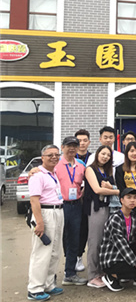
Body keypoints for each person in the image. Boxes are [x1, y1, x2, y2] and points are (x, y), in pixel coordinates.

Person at [27, 145, 65, 301]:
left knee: (55, 251)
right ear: (42, 157)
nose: (54, 157)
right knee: (42, 252)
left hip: (58, 211)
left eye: (57, 154)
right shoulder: (37, 175)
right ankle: (35, 289)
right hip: (45, 212)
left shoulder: (53, 173)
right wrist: (39, 222)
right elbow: (34, 200)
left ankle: (49, 284)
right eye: (50, 155)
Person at [100, 188, 136, 291]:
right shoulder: (115, 218)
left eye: (135, 198)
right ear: (121, 200)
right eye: (129, 197)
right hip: (113, 259)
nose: (132, 200)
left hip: (124, 257)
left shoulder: (133, 217)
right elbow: (121, 245)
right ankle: (111, 276)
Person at [83, 145, 119, 288]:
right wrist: (117, 191)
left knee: (105, 240)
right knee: (95, 240)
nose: (105, 157)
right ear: (97, 154)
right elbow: (97, 189)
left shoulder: (108, 171)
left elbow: (110, 187)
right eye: (103, 154)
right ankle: (92, 275)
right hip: (96, 207)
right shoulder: (90, 169)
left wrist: (111, 188)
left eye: (108, 155)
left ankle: (102, 271)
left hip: (108, 207)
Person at [54, 137, 87, 286]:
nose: (72, 148)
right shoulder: (56, 164)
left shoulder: (81, 165)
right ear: (62, 147)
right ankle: (50, 276)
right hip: (60, 205)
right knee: (56, 239)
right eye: (69, 146)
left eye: (75, 146)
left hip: (76, 206)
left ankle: (70, 274)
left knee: (74, 239)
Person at [74, 129, 91, 273]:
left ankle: (80, 256)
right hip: (72, 199)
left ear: (89, 142)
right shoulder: (68, 158)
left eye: (85, 140)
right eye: (79, 141)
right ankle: (73, 256)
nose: (82, 143)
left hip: (88, 198)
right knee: (73, 230)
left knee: (85, 228)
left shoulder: (93, 158)